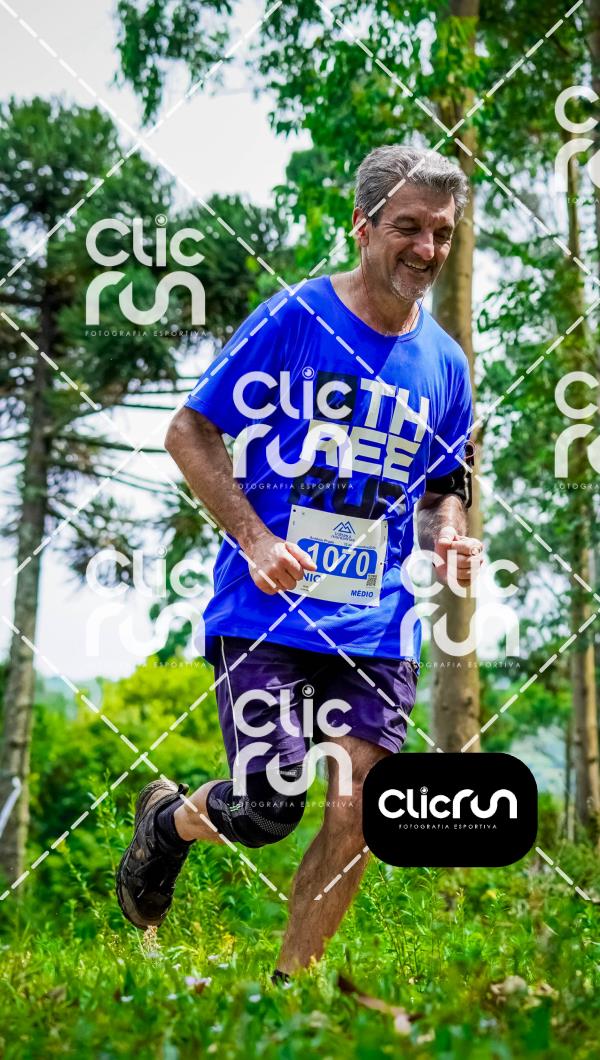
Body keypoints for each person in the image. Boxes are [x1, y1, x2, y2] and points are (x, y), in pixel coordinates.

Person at [116, 144, 483, 978]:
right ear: (362, 226)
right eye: (408, 228)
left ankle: (290, 995)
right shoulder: (295, 319)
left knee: (359, 808)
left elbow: (442, 490)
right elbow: (189, 430)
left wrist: (448, 535)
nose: (427, 248)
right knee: (267, 808)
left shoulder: (447, 365)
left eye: (442, 232)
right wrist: (254, 537)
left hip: (377, 624)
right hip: (266, 613)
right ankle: (167, 822)